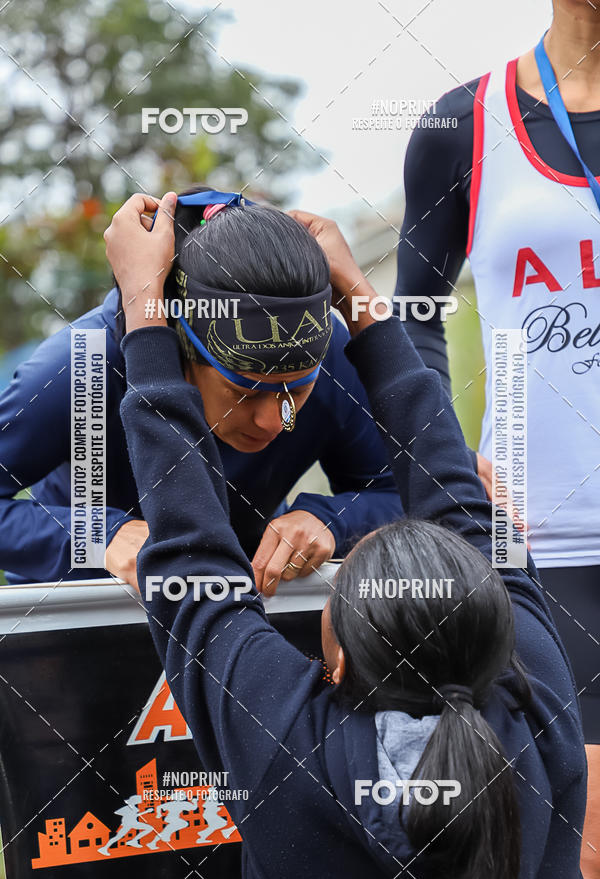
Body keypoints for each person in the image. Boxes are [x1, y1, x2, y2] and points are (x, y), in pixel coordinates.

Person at [106, 195, 588, 879]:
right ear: (494, 621)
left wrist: (144, 303)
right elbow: (198, 565)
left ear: (335, 666)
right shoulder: (541, 712)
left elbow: (189, 557)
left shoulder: (289, 754)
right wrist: (357, 295)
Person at [395, 1, 600, 879]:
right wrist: (447, 460)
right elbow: (409, 321)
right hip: (545, 547)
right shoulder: (461, 123)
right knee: (587, 845)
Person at [0, 186, 403, 595]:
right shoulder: (84, 367)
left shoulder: (327, 353)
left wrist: (331, 520)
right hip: (72, 614)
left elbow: (401, 491)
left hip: (236, 608)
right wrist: (92, 536)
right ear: (176, 347)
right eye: (243, 391)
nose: (272, 421)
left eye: (296, 391)